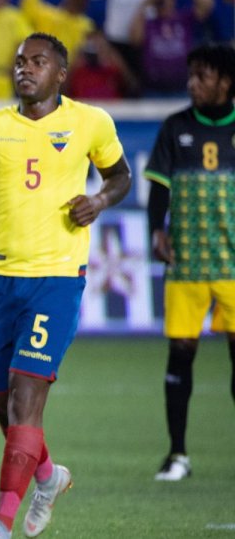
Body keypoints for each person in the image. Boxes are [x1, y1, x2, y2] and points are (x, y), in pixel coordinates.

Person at [0, 32, 132, 539]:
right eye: (20, 61)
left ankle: (0, 524)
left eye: (38, 62)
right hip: (0, 282)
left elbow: (121, 176)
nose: (25, 69)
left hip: (57, 280)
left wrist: (100, 201)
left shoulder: (91, 122)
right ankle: (48, 476)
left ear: (60, 74)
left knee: (25, 402)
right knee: (4, 406)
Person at [143, 43, 235, 483]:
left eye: (203, 76)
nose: (192, 83)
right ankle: (177, 453)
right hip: (187, 261)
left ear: (226, 81)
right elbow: (158, 189)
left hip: (234, 264)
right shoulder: (175, 127)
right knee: (180, 355)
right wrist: (155, 232)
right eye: (191, 75)